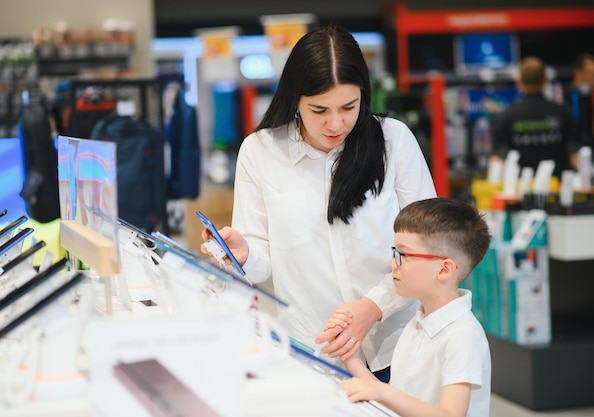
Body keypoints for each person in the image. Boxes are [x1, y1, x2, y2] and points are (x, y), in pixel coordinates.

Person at [200, 24, 436, 382]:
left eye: (348, 106)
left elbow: (429, 248)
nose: (336, 123)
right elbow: (262, 262)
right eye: (319, 109)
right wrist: (244, 253)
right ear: (295, 98)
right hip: (314, 353)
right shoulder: (261, 152)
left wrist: (373, 307)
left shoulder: (394, 142)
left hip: (397, 346)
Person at [328, 197, 492, 417]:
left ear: (444, 269)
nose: (392, 263)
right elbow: (397, 402)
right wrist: (350, 356)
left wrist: (382, 392)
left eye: (402, 255)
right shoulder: (418, 323)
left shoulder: (462, 335)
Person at [489, 56, 581, 178]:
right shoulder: (563, 112)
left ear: (519, 81)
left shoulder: (506, 116)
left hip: (520, 189)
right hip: (558, 189)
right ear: (545, 80)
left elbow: (498, 159)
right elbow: (575, 156)